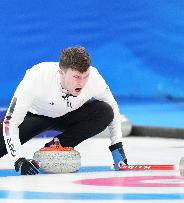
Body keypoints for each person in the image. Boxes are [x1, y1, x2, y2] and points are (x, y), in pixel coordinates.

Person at [0, 46, 127, 175]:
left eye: (85, 76)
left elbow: (113, 105)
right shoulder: (37, 76)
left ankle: (56, 145)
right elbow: (10, 123)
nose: (82, 83)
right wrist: (18, 160)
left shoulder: (94, 77)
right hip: (36, 116)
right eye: (76, 77)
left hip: (69, 115)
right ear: (61, 72)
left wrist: (117, 145)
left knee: (105, 111)